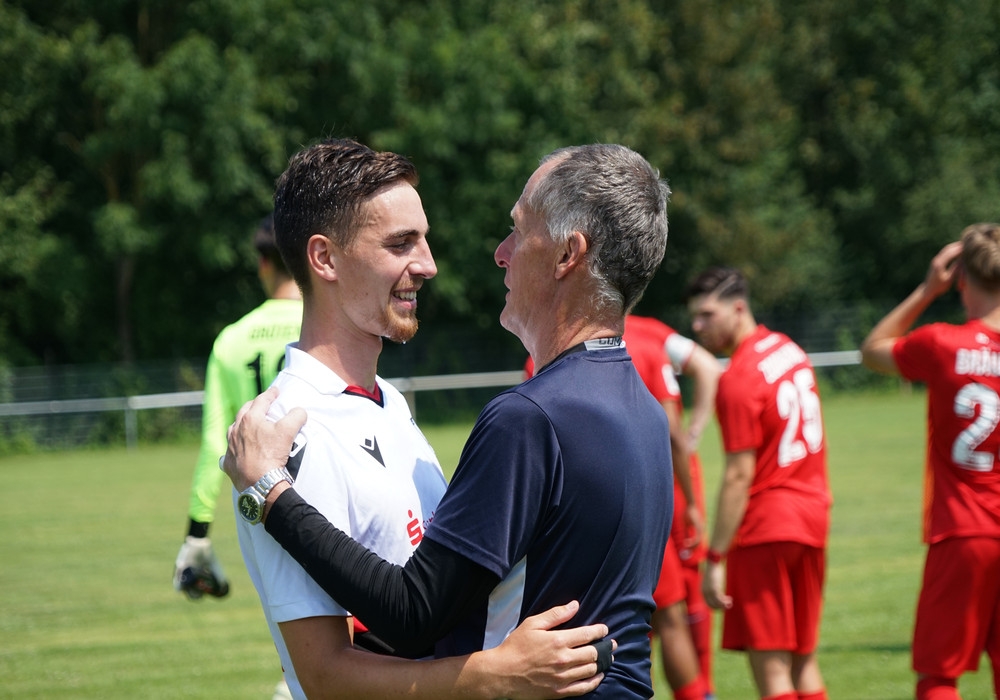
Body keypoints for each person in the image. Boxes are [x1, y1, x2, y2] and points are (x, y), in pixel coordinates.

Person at [223, 143, 675, 698]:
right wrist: (496, 674)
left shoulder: (440, 409)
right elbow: (325, 675)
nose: (431, 264)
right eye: (400, 243)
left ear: (567, 255)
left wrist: (269, 495)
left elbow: (420, 610)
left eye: (518, 230)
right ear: (325, 259)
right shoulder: (291, 431)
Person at [524, 315, 720, 700]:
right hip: (652, 502)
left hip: (584, 508)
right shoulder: (650, 340)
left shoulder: (548, 344)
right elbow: (676, 426)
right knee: (673, 615)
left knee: (594, 624)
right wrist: (692, 501)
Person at [860, 224, 1000, 700]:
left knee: (940, 676)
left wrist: (927, 289)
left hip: (964, 532)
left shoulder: (943, 344)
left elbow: (873, 350)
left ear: (960, 278)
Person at [685, 267, 831, 700]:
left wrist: (716, 558)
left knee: (772, 670)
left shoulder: (739, 377)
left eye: (707, 314)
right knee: (803, 659)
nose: (698, 326)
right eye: (694, 317)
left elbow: (738, 473)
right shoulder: (790, 349)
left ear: (738, 306)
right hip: (812, 520)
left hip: (767, 528)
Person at [173, 214, 303, 600]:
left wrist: (197, 533)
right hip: (328, 498)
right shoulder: (330, 324)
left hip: (262, 505)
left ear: (263, 262)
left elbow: (216, 443)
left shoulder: (231, 340)